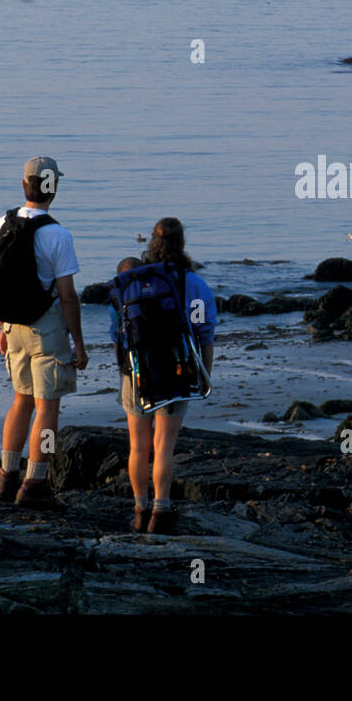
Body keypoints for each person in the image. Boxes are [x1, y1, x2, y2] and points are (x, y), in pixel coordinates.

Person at [0, 156, 88, 508]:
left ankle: (5, 479)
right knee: (48, 408)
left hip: (13, 325)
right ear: (54, 187)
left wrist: (3, 327)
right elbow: (68, 297)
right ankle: (35, 483)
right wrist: (78, 342)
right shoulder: (58, 234)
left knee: (20, 400)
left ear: (23, 185)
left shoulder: (1, 223)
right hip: (46, 327)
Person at [121, 218, 215, 535]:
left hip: (137, 373)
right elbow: (204, 334)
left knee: (138, 446)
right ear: (182, 243)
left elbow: (117, 331)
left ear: (151, 243)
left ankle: (139, 510)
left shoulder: (131, 282)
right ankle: (161, 512)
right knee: (163, 447)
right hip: (178, 370)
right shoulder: (195, 285)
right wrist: (204, 374)